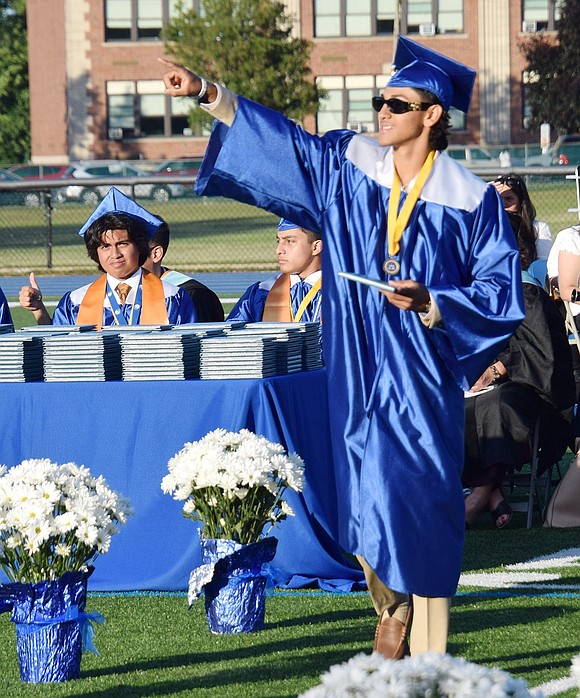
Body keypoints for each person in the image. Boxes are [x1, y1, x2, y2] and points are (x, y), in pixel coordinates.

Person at [159, 36, 524, 657]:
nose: (380, 111)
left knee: (421, 490)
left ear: (432, 115)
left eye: (396, 104)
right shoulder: (350, 165)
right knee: (360, 486)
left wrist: (436, 301)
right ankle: (393, 609)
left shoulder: (472, 201)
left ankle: (415, 623)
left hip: (420, 370)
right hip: (354, 361)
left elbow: (497, 290)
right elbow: (286, 147)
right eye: (379, 101)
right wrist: (208, 95)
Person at [463, 210, 575, 529]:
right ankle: (493, 493)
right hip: (482, 386)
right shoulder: (481, 291)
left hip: (537, 395)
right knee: (445, 404)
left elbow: (542, 357)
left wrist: (497, 369)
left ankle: (481, 492)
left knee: (496, 405)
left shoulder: (526, 292)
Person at [19, 187, 197, 328]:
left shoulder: (173, 297)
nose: (115, 254)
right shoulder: (76, 301)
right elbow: (58, 350)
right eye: (105, 246)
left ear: (139, 247)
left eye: (123, 244)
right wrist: (39, 310)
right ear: (95, 252)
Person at [227, 218, 322, 323]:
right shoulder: (261, 292)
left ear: (316, 247)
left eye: (289, 241)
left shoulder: (339, 293)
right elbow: (231, 334)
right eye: (278, 241)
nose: (278, 250)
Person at [143, 218, 224, 322]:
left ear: (156, 254)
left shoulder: (194, 296)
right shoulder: (121, 292)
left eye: (135, 250)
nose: (116, 255)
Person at [491, 173, 553, 262]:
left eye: (509, 199)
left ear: (521, 202)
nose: (503, 204)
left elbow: (542, 265)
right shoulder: (485, 227)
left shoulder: (538, 228)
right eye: (497, 199)